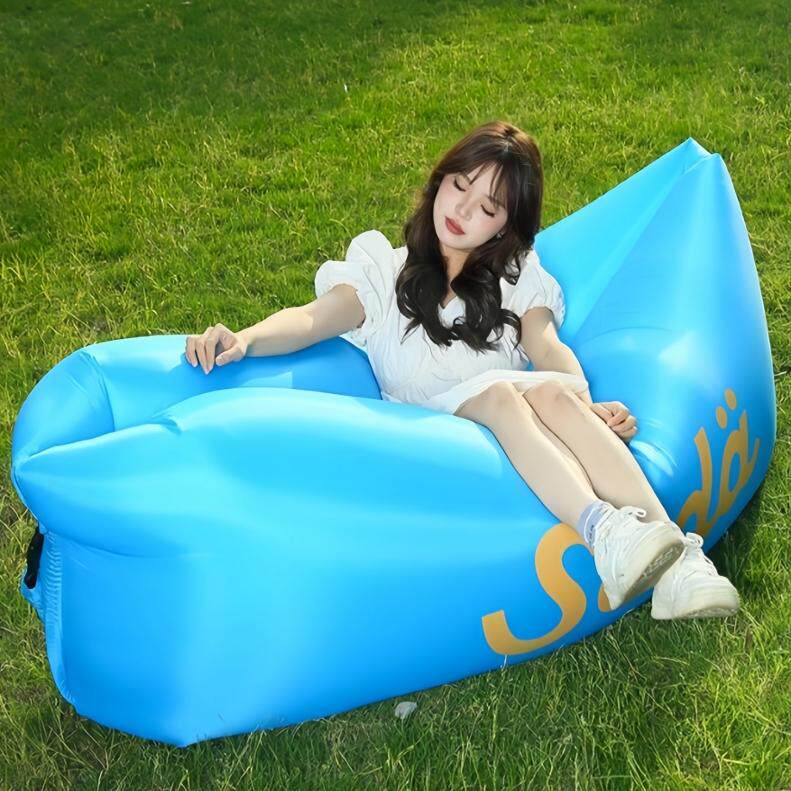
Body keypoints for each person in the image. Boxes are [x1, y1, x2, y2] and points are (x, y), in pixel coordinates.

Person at [184, 120, 740, 620]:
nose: (463, 210)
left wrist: (587, 404)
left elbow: (546, 348)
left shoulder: (515, 277)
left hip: (518, 426)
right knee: (503, 396)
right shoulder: (383, 273)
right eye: (459, 185)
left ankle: (679, 563)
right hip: (436, 441)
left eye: (488, 208)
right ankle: (603, 530)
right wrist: (245, 339)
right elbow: (311, 319)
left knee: (553, 394)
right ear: (440, 179)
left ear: (504, 227)